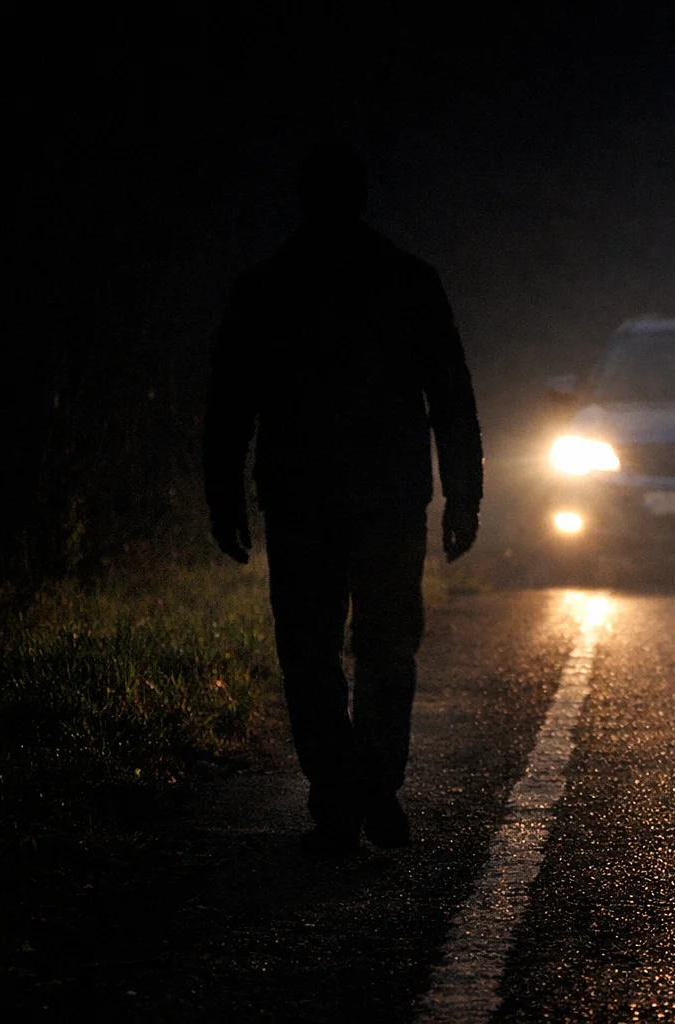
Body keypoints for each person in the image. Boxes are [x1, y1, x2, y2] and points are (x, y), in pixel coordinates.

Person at [204, 142, 484, 855]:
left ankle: (337, 794)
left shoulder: (266, 286)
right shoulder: (409, 280)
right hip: (389, 496)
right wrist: (463, 496)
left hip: (300, 496)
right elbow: (451, 397)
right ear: (362, 199)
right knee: (386, 643)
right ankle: (374, 783)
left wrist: (223, 495)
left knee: (309, 650)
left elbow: (230, 405)